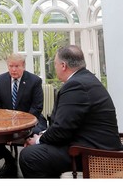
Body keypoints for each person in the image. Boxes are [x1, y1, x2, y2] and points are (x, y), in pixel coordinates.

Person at [19, 45, 122, 178]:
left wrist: (38, 140)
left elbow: (62, 129)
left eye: (55, 64)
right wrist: (42, 135)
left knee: (30, 156)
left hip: (93, 155)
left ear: (63, 65)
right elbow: (69, 125)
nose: (54, 68)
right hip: (88, 144)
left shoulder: (76, 85)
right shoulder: (86, 79)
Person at [0, 53, 47, 178]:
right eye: (11, 66)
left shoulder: (34, 81)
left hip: (31, 120)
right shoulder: (0, 80)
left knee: (36, 134)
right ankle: (9, 160)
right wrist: (7, 126)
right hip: (6, 120)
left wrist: (20, 126)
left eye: (17, 66)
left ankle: (33, 166)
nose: (13, 69)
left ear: (23, 66)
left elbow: (37, 107)